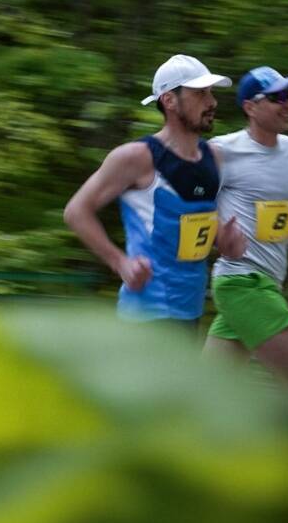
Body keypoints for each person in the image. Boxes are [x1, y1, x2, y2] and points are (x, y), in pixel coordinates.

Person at [63, 54, 246, 330]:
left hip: (191, 310)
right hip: (147, 315)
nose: (212, 102)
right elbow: (76, 212)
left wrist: (225, 242)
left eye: (210, 93)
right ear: (169, 101)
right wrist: (120, 262)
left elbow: (191, 220)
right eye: (200, 93)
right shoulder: (137, 157)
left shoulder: (215, 157)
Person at [203, 66, 288, 392]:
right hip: (242, 281)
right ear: (250, 107)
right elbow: (191, 209)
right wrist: (217, 236)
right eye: (277, 97)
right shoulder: (221, 151)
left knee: (208, 391)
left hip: (268, 281)